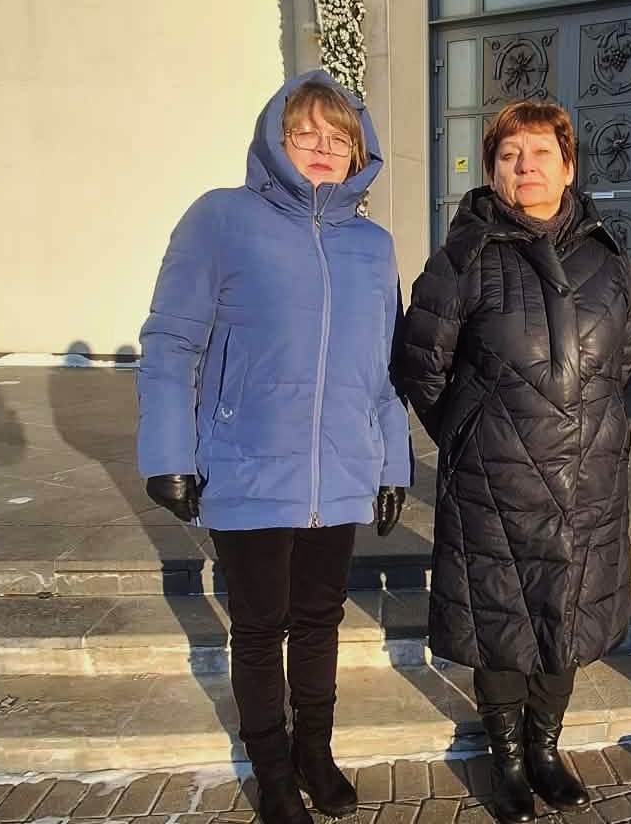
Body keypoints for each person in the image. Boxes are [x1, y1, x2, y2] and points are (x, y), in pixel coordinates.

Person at [136, 70, 411, 824]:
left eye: (337, 138)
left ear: (357, 153)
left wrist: (391, 461)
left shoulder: (373, 246)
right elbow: (171, 342)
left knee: (320, 620)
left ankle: (314, 753)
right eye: (304, 134)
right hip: (247, 461)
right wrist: (169, 453)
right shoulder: (221, 219)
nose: (321, 148)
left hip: (341, 468)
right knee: (260, 628)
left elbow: (383, 368)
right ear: (275, 141)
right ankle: (273, 771)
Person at [394, 101, 631, 824]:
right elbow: (422, 365)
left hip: (587, 480)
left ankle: (545, 749)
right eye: (509, 155)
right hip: (494, 481)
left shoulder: (608, 258)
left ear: (569, 167)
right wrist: (469, 433)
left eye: (540, 153)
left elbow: (624, 356)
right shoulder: (462, 258)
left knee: (566, 622)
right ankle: (505, 757)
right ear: (491, 171)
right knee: (501, 625)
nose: (525, 167)